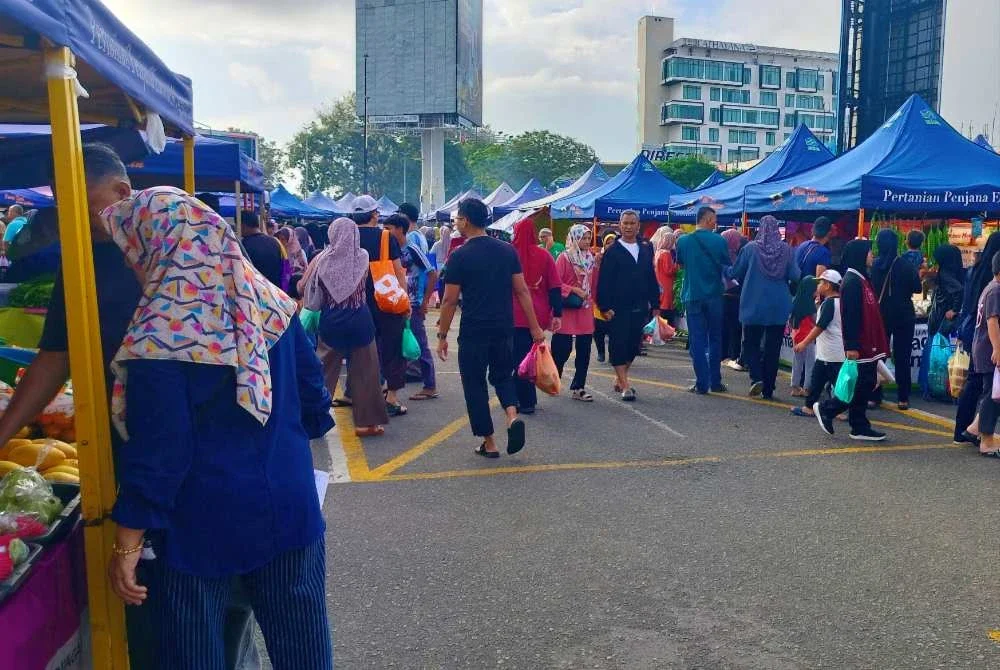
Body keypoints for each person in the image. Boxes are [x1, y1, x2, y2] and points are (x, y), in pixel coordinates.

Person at [101, 187, 333, 669]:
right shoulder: (271, 305)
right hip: (287, 503)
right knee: (304, 651)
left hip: (198, 525)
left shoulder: (160, 334)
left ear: (156, 245)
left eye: (132, 247)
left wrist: (126, 544)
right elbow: (314, 403)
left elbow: (161, 457)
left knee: (194, 651)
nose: (130, 262)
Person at [437, 198, 543, 457]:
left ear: (466, 221)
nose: (457, 224)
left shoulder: (459, 255)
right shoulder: (507, 251)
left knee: (474, 383)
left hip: (474, 329)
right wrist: (535, 328)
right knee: (503, 375)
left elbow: (450, 299)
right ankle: (511, 415)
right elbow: (522, 291)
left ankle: (489, 442)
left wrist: (442, 335)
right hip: (503, 326)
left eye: (458, 219)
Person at [305, 218, 390, 437]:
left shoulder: (321, 259)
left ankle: (311, 420)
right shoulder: (362, 256)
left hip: (332, 320)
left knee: (322, 373)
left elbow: (305, 289)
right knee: (366, 374)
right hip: (360, 321)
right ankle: (367, 424)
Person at [813, 239, 889, 441]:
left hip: (866, 342)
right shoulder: (852, 281)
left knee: (865, 383)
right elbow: (851, 315)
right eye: (869, 252)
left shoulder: (860, 278)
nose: (872, 256)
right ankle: (829, 408)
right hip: (861, 343)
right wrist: (852, 345)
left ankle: (859, 425)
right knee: (861, 384)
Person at [726, 216, 800, 400]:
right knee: (773, 348)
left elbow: (735, 272)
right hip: (778, 304)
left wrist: (723, 268)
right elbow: (795, 275)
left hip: (753, 303)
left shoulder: (750, 249)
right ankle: (769, 388)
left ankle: (756, 377)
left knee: (750, 343)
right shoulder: (786, 250)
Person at [352, 195, 410, 417]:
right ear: (375, 214)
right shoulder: (386, 237)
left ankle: (365, 396)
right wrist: (404, 300)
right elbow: (398, 272)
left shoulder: (349, 236)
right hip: (386, 301)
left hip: (356, 302)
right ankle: (392, 398)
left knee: (363, 350)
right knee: (393, 349)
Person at [596, 210, 658, 401]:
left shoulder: (646, 248)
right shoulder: (612, 251)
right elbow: (604, 281)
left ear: (638, 226)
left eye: (632, 223)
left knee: (633, 346)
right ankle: (625, 385)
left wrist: (656, 304)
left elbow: (651, 277)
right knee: (618, 345)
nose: (629, 227)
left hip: (640, 306)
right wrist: (605, 307)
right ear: (620, 225)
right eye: (625, 223)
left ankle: (619, 378)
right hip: (617, 307)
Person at [510, 216, 562, 414]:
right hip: (537, 316)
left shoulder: (509, 254)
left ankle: (516, 399)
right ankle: (528, 399)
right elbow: (555, 287)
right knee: (530, 357)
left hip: (511, 314)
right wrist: (557, 314)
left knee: (514, 358)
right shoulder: (544, 255)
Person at [676, 207, 730, 395]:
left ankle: (701, 383)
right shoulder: (720, 240)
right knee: (715, 338)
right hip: (715, 295)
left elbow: (681, 264)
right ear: (707, 219)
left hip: (692, 294)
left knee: (697, 340)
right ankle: (715, 381)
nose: (715, 223)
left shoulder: (682, 241)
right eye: (714, 219)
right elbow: (726, 264)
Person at [387, 206, 439, 401]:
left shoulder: (412, 248)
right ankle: (393, 388)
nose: (387, 232)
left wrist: (425, 301)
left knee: (421, 344)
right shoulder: (391, 250)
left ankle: (430, 385)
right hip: (396, 303)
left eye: (390, 228)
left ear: (401, 229)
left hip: (414, 303)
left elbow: (433, 273)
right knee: (396, 344)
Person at [954, 233, 1000, 445]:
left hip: (972, 329)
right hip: (984, 335)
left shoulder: (976, 270)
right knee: (988, 386)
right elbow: (992, 318)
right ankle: (975, 430)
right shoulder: (993, 285)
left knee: (978, 384)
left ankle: (967, 429)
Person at [870, 229, 922, 409]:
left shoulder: (875, 265)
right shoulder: (906, 265)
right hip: (904, 315)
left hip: (881, 315)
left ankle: (874, 394)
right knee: (902, 356)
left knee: (878, 355)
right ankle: (903, 397)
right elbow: (917, 289)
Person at [553, 224, 596, 402]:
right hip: (569, 309)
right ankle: (553, 378)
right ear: (574, 238)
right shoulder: (565, 257)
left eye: (588, 238)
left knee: (584, 351)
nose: (586, 242)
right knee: (561, 350)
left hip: (585, 310)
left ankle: (579, 387)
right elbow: (555, 283)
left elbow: (593, 283)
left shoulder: (590, 258)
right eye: (582, 238)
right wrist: (574, 290)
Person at [792, 270, 844, 417]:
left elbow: (820, 326)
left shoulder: (829, 304)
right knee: (817, 380)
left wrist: (804, 342)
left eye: (821, 282)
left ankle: (838, 410)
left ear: (828, 286)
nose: (818, 285)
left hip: (831, 352)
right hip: (829, 352)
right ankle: (809, 407)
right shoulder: (840, 302)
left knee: (836, 384)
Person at [968, 252, 1000, 457]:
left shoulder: (991, 287)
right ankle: (986, 440)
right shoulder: (996, 290)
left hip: (984, 348)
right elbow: (992, 321)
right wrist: (998, 348)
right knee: (993, 396)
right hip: (989, 349)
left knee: (992, 392)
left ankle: (974, 428)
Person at [720, 228, 746, 370]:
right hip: (732, 296)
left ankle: (725, 354)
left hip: (725, 296)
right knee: (733, 327)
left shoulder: (725, 255)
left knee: (726, 327)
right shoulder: (732, 257)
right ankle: (730, 354)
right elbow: (734, 274)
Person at [789, 275, 819, 398]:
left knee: (797, 363)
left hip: (797, 337)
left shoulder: (795, 301)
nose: (817, 291)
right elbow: (817, 321)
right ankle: (807, 388)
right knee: (810, 363)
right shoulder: (811, 306)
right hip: (808, 339)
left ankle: (795, 387)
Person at [241, 211, 285, 288]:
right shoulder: (275, 242)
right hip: (275, 292)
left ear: (243, 225)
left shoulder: (243, 245)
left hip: (256, 291)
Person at [650, 227, 679, 335]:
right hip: (667, 283)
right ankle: (664, 331)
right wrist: (677, 266)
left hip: (659, 281)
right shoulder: (666, 254)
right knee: (666, 308)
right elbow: (669, 270)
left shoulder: (658, 252)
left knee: (660, 306)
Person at [592, 233, 616, 363]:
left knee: (614, 330)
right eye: (608, 242)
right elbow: (594, 278)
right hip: (599, 298)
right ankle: (601, 351)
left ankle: (613, 355)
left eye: (613, 242)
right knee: (599, 329)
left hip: (616, 299)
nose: (610, 244)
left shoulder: (620, 257)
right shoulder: (598, 259)